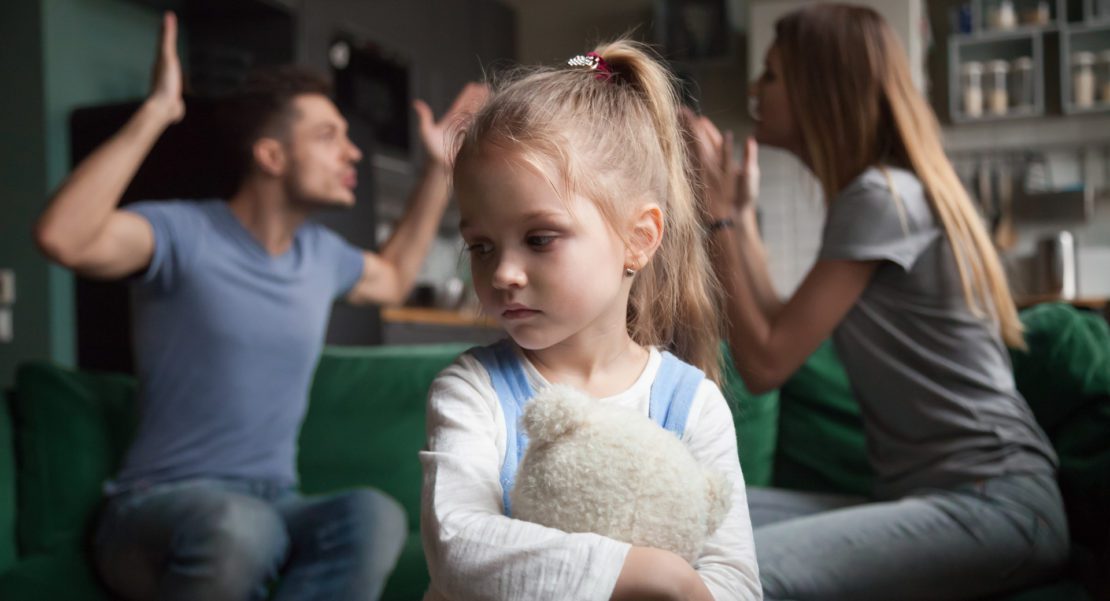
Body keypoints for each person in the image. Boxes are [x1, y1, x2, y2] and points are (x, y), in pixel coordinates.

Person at [34, 12, 486, 601]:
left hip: (274, 501)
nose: (352, 154)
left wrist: (436, 170)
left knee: (372, 516)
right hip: (153, 508)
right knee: (240, 529)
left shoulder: (320, 254)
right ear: (271, 156)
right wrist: (156, 112)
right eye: (329, 137)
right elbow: (63, 237)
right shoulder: (183, 233)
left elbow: (394, 279)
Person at [685, 4, 1068, 600]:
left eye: (772, 75)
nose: (756, 89)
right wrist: (737, 213)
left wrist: (716, 217)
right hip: (936, 500)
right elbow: (778, 320)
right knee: (688, 517)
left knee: (733, 576)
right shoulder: (877, 195)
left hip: (998, 506)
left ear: (821, 91)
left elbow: (763, 363)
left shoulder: (881, 197)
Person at [418, 40, 762, 601]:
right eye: (481, 246)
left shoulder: (693, 406)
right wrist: (657, 575)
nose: (503, 272)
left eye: (539, 238)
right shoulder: (471, 391)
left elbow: (735, 583)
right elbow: (459, 546)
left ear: (638, 238)